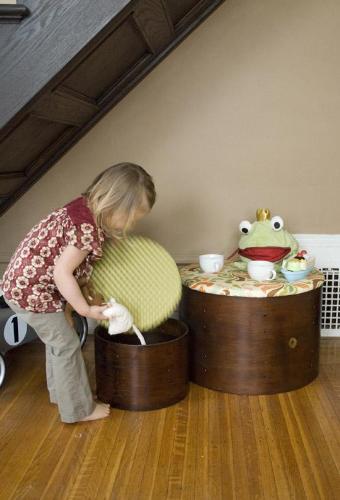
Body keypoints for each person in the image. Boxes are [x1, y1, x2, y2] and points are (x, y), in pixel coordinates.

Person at [0, 163, 156, 423]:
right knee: (67, 346)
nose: (129, 226)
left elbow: (74, 271)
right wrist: (84, 309)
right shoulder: (85, 231)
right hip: (33, 292)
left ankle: (60, 394)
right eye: (130, 219)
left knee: (59, 341)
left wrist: (83, 301)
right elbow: (62, 273)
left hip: (26, 286)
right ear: (112, 204)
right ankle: (79, 409)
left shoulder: (82, 210)